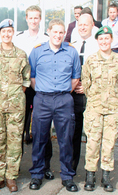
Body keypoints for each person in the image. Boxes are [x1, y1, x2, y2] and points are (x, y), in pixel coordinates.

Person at [28, 19, 81, 192]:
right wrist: (43, 91)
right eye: (55, 32)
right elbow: (32, 77)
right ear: (49, 32)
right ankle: (37, 174)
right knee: (39, 139)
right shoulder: (37, 52)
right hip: (42, 99)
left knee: (66, 140)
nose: (58, 35)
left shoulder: (71, 52)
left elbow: (75, 78)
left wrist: (62, 92)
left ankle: (67, 176)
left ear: (64, 33)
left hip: (64, 100)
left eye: (61, 32)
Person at [0, 19, 30, 192]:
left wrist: (14, 96)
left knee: (14, 141)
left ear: (13, 33)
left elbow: (26, 80)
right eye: (3, 31)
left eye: (9, 31)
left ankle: (11, 177)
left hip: (16, 108)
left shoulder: (21, 55)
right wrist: (0, 95)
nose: (6, 34)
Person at [14, 5, 53, 181]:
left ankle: (45, 166)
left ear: (40, 19)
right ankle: (16, 167)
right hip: (22, 87)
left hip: (40, 87)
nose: (33, 20)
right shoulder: (18, 38)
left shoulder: (47, 38)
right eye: (30, 17)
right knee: (19, 127)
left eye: (36, 17)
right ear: (26, 18)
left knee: (42, 128)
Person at [82, 26, 118, 192]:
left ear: (111, 39)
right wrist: (96, 99)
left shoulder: (117, 60)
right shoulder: (90, 60)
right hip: (94, 109)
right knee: (93, 143)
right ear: (97, 41)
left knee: (109, 144)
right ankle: (90, 176)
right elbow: (86, 84)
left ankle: (106, 177)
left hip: (113, 109)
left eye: (107, 38)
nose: (104, 41)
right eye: (101, 39)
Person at [71, 14, 99, 172]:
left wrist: (87, 87)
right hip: (73, 95)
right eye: (79, 24)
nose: (82, 27)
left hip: (91, 97)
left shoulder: (97, 45)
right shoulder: (71, 44)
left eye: (85, 24)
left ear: (92, 25)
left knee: (91, 135)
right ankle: (72, 168)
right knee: (74, 133)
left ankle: (91, 171)